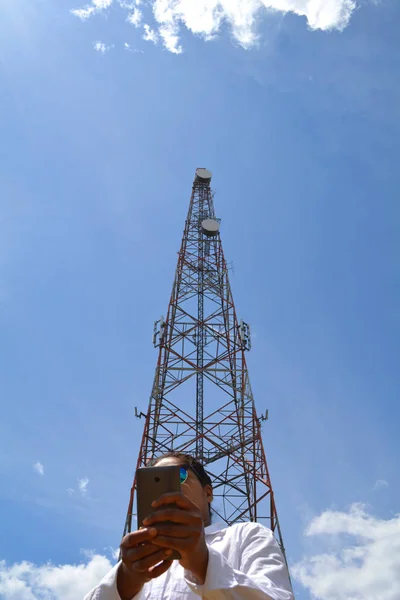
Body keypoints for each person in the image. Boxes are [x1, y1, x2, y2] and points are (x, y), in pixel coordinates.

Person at [84, 451, 294, 600]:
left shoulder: (247, 536)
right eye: (155, 480)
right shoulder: (137, 560)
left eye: (181, 475)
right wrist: (125, 581)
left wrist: (203, 562)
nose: (171, 486)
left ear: (208, 493)